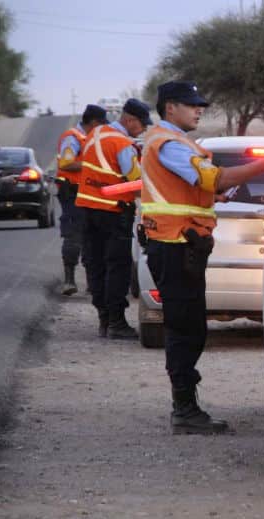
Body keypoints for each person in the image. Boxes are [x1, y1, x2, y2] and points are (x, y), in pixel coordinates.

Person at [140, 81, 264, 435]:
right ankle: (184, 411)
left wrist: (216, 200)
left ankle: (186, 407)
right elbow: (215, 178)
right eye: (192, 105)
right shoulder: (169, 144)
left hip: (179, 245)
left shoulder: (173, 142)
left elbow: (191, 189)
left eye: (200, 105)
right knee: (184, 330)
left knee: (190, 326)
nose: (199, 110)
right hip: (174, 245)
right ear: (170, 108)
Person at [76, 98, 152, 339]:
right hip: (114, 212)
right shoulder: (122, 144)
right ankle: (117, 323)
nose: (144, 129)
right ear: (129, 120)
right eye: (142, 124)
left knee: (95, 264)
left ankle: (104, 319)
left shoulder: (94, 136)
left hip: (88, 209)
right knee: (117, 267)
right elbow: (135, 180)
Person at [54, 104, 107, 295]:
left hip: (88, 193)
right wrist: (93, 166)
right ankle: (69, 280)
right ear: (93, 122)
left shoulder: (89, 138)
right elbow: (67, 163)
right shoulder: (72, 137)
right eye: (101, 124)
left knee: (91, 237)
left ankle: (93, 283)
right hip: (73, 194)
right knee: (74, 235)